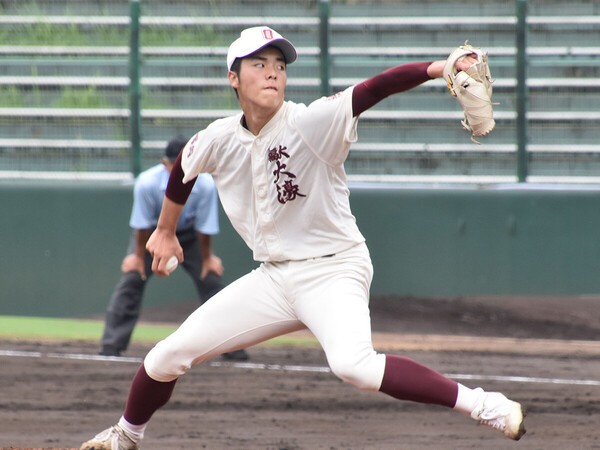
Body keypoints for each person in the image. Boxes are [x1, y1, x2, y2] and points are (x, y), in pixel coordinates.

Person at [80, 26, 525, 449]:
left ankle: (486, 405)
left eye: (279, 63)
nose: (273, 70)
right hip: (273, 279)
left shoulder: (313, 122)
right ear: (233, 77)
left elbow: (373, 88)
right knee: (165, 357)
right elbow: (184, 167)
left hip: (334, 269)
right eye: (258, 63)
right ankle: (126, 435)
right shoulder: (218, 136)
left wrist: (434, 68)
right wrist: (164, 230)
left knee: (355, 366)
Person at [98, 138, 248, 362]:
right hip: (154, 235)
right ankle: (111, 345)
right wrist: (138, 258)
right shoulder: (147, 183)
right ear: (165, 163)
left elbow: (204, 228)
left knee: (211, 280)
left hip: (189, 236)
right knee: (132, 278)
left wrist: (207, 259)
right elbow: (142, 225)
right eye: (175, 163)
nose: (181, 168)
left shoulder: (205, 185)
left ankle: (233, 346)